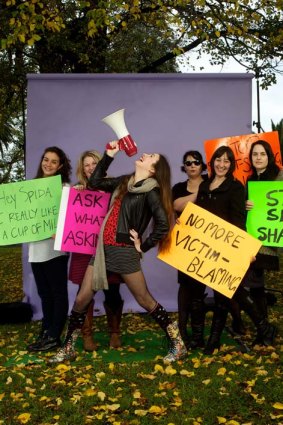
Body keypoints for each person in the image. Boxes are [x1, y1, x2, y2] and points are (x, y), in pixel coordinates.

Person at [49, 141, 187, 364]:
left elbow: (162, 225)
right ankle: (68, 349)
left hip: (124, 252)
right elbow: (94, 183)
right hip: (102, 250)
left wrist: (143, 245)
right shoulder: (125, 181)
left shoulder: (151, 191)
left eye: (150, 156)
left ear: (153, 169)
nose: (145, 154)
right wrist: (109, 155)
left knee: (144, 300)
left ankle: (178, 344)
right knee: (82, 298)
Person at [189, 145, 277, 354]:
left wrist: (243, 249)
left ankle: (218, 338)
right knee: (221, 294)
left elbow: (239, 222)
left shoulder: (236, 187)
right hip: (205, 248)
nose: (221, 164)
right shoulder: (204, 186)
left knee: (228, 291)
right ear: (212, 163)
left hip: (227, 248)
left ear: (231, 165)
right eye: (218, 160)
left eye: (226, 161)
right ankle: (259, 329)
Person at [68, 150, 124, 351]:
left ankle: (115, 332)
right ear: (82, 169)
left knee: (113, 289)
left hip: (108, 247)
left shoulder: (113, 186)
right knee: (85, 292)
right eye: (87, 165)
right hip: (84, 247)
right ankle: (87, 334)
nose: (91, 168)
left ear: (101, 165)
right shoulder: (77, 190)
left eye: (94, 163)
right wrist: (78, 194)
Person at [27, 146, 72, 352]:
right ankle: (46, 332)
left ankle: (54, 335)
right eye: (46, 159)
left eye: (54, 161)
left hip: (55, 250)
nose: (48, 164)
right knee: (44, 293)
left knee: (57, 293)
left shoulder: (64, 188)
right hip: (36, 249)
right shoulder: (31, 188)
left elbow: (72, 218)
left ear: (60, 165)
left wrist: (60, 232)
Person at [243, 140, 282, 344]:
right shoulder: (250, 180)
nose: (258, 157)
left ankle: (264, 330)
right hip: (251, 241)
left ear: (269, 156)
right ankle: (263, 328)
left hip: (267, 243)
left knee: (256, 285)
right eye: (255, 154)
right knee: (255, 286)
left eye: (262, 154)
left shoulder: (279, 177)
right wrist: (246, 205)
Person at [172, 150, 208, 349]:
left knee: (200, 288)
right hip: (186, 244)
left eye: (196, 162)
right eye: (188, 163)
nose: (192, 165)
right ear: (184, 167)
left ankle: (198, 335)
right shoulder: (179, 187)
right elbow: (176, 205)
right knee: (185, 286)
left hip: (208, 244)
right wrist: (200, 193)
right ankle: (182, 330)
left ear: (202, 165)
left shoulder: (213, 184)